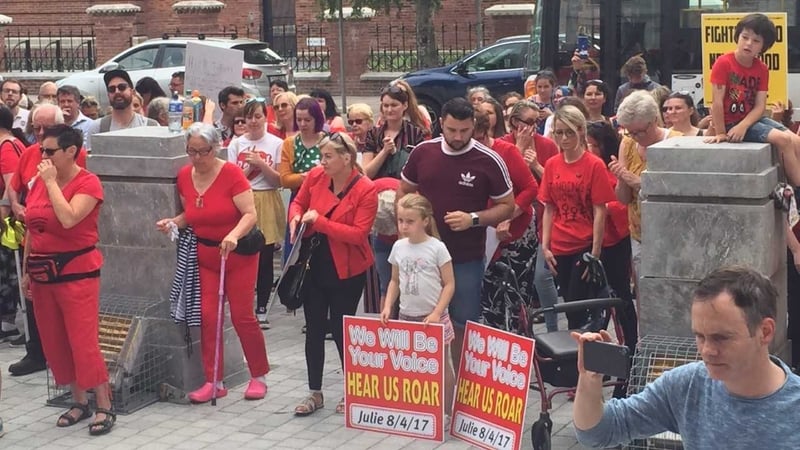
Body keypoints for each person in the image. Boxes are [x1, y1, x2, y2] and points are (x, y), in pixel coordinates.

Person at [573, 266, 800, 449]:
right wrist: (589, 380)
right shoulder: (688, 385)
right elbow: (597, 433)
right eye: (700, 337)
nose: (707, 350)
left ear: (765, 332)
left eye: (721, 338)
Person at [156, 123, 270, 403]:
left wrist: (232, 235)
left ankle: (258, 375)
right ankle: (213, 379)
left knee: (242, 316)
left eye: (202, 152)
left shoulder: (231, 174)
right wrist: (174, 222)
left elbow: (250, 214)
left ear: (215, 148)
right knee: (208, 317)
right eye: (191, 151)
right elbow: (192, 216)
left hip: (238, 254)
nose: (196, 158)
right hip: (206, 256)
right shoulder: (185, 176)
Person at [398, 97, 515, 368]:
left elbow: (508, 206)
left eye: (465, 131)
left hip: (465, 258)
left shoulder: (489, 160)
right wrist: (404, 230)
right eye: (452, 130)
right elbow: (403, 190)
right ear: (441, 125)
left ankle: (461, 383)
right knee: (422, 321)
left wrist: (474, 219)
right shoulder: (423, 152)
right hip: (423, 257)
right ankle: (429, 383)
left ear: (474, 126)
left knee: (463, 322)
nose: (458, 136)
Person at [24, 124, 115, 435]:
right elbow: (32, 231)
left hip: (77, 273)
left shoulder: (88, 183)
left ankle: (103, 402)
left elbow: (68, 218)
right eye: (41, 150)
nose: (43, 156)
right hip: (42, 271)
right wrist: (26, 270)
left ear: (71, 151)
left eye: (50, 151)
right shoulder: (39, 182)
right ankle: (78, 401)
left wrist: (50, 184)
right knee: (55, 339)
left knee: (82, 341)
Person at [289, 132, 377, 416]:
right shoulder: (316, 176)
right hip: (314, 263)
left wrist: (321, 222)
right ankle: (314, 391)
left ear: (346, 158)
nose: (321, 161)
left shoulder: (365, 189)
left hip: (347, 268)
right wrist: (294, 217)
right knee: (314, 328)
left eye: (328, 156)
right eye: (322, 156)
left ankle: (352, 390)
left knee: (342, 329)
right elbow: (299, 202)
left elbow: (358, 234)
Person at [7, 103, 88, 377]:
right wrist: (17, 208)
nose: (40, 135)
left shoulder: (73, 158)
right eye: (36, 128)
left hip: (66, 249)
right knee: (34, 305)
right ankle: (37, 353)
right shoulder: (31, 154)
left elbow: (74, 203)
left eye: (45, 129)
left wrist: (51, 186)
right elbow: (15, 187)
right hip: (33, 238)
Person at [380, 193, 456, 420]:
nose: (404, 226)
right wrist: (387, 307)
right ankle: (419, 409)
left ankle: (447, 410)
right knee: (411, 365)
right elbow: (394, 280)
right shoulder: (398, 247)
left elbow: (449, 283)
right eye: (401, 220)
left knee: (442, 364)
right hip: (407, 314)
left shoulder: (437, 248)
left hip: (433, 317)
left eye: (409, 221)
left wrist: (436, 312)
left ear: (425, 221)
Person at [539, 105, 615, 329]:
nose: (563, 138)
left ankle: (581, 355)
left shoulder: (594, 164)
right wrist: (545, 245)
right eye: (559, 132)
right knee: (570, 303)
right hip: (559, 243)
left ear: (581, 131)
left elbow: (600, 209)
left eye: (569, 132)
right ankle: (576, 355)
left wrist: (595, 251)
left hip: (583, 242)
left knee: (579, 307)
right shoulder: (553, 164)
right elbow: (549, 207)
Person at [704, 13, 800, 187]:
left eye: (756, 41)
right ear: (737, 36)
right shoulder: (723, 63)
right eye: (745, 37)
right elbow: (716, 102)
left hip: (751, 120)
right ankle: (797, 188)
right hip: (731, 123)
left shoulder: (762, 68)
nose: (748, 43)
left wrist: (745, 124)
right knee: (783, 140)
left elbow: (760, 106)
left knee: (796, 141)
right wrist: (721, 132)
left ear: (763, 47)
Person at [472, 110, 539, 327]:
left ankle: (522, 349)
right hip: (485, 234)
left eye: (481, 139)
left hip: (516, 233)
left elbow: (530, 188)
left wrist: (508, 216)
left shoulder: (506, 151)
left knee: (517, 298)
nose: (477, 145)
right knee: (490, 300)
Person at [610, 91, 681, 285]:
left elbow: (675, 193)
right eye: (629, 132)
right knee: (643, 290)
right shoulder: (628, 143)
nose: (635, 137)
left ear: (654, 121)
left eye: (639, 132)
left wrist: (636, 181)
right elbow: (624, 199)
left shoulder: (676, 142)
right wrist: (622, 177)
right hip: (639, 233)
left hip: (670, 235)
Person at [227, 99, 285, 327]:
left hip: (267, 197)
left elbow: (278, 180)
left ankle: (262, 305)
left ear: (265, 117)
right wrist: (248, 168)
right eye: (248, 117)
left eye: (258, 116)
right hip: (244, 199)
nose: (253, 121)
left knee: (266, 254)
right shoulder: (236, 144)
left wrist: (261, 163)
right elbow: (233, 179)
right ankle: (243, 303)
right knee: (242, 253)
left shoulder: (276, 143)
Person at [585, 120, 637, 357]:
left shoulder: (612, 167)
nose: (590, 150)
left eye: (594, 145)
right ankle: (597, 351)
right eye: (587, 145)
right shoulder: (587, 166)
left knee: (620, 295)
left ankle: (632, 346)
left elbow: (621, 205)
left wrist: (601, 206)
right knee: (596, 301)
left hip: (615, 240)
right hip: (590, 239)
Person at [278, 98, 326, 263]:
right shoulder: (290, 144)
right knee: (295, 246)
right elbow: (285, 179)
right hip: (299, 198)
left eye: (307, 120)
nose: (303, 124)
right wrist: (308, 176)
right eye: (299, 120)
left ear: (317, 119)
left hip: (323, 199)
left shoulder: (327, 141)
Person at [363, 85, 426, 180]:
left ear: (405, 105)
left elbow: (420, 170)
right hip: (377, 187)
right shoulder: (373, 134)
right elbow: (366, 174)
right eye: (386, 105)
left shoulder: (415, 133)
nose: (389, 110)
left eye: (394, 105)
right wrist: (384, 151)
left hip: (404, 189)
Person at [85, 69, 159, 150]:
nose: (117, 92)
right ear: (108, 95)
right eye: (112, 89)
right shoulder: (98, 128)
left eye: (122, 87)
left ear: (133, 92)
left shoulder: (151, 126)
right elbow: (92, 160)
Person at [0, 105, 24, 343]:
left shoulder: (7, 147)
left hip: (7, 221)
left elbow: (11, 183)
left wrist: (4, 212)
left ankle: (7, 324)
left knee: (7, 269)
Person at [530, 70, 557, 135]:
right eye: (539, 87)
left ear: (552, 86)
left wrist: (551, 115)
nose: (542, 90)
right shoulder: (530, 102)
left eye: (546, 87)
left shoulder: (557, 101)